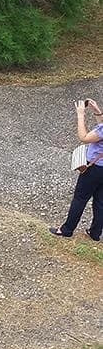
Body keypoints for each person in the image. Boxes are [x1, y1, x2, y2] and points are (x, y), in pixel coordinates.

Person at [50, 99, 103, 242]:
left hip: (94, 168)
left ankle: (66, 230)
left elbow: (84, 138)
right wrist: (97, 111)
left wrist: (80, 115)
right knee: (100, 201)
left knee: (80, 198)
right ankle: (95, 233)